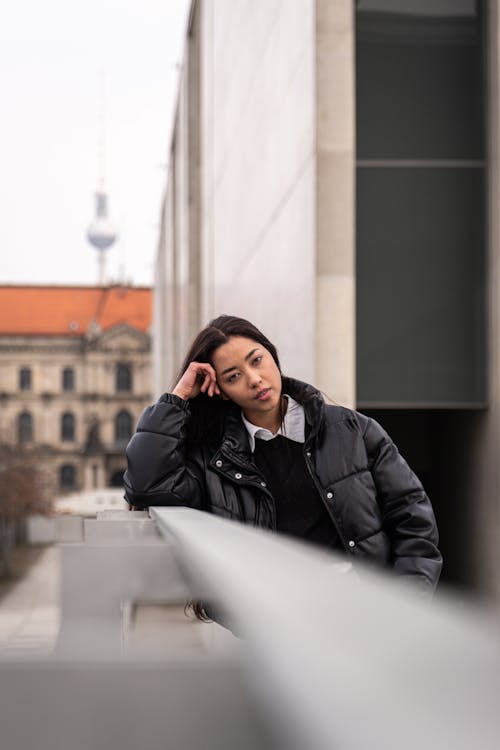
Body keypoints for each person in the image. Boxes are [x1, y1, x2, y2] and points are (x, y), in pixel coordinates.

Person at [124, 315, 442, 597]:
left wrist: (407, 597)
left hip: (363, 605)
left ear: (272, 355)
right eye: (233, 376)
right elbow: (146, 486)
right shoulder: (214, 457)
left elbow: (411, 515)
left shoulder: (352, 430)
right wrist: (177, 398)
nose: (254, 379)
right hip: (277, 616)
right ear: (218, 389)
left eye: (257, 360)